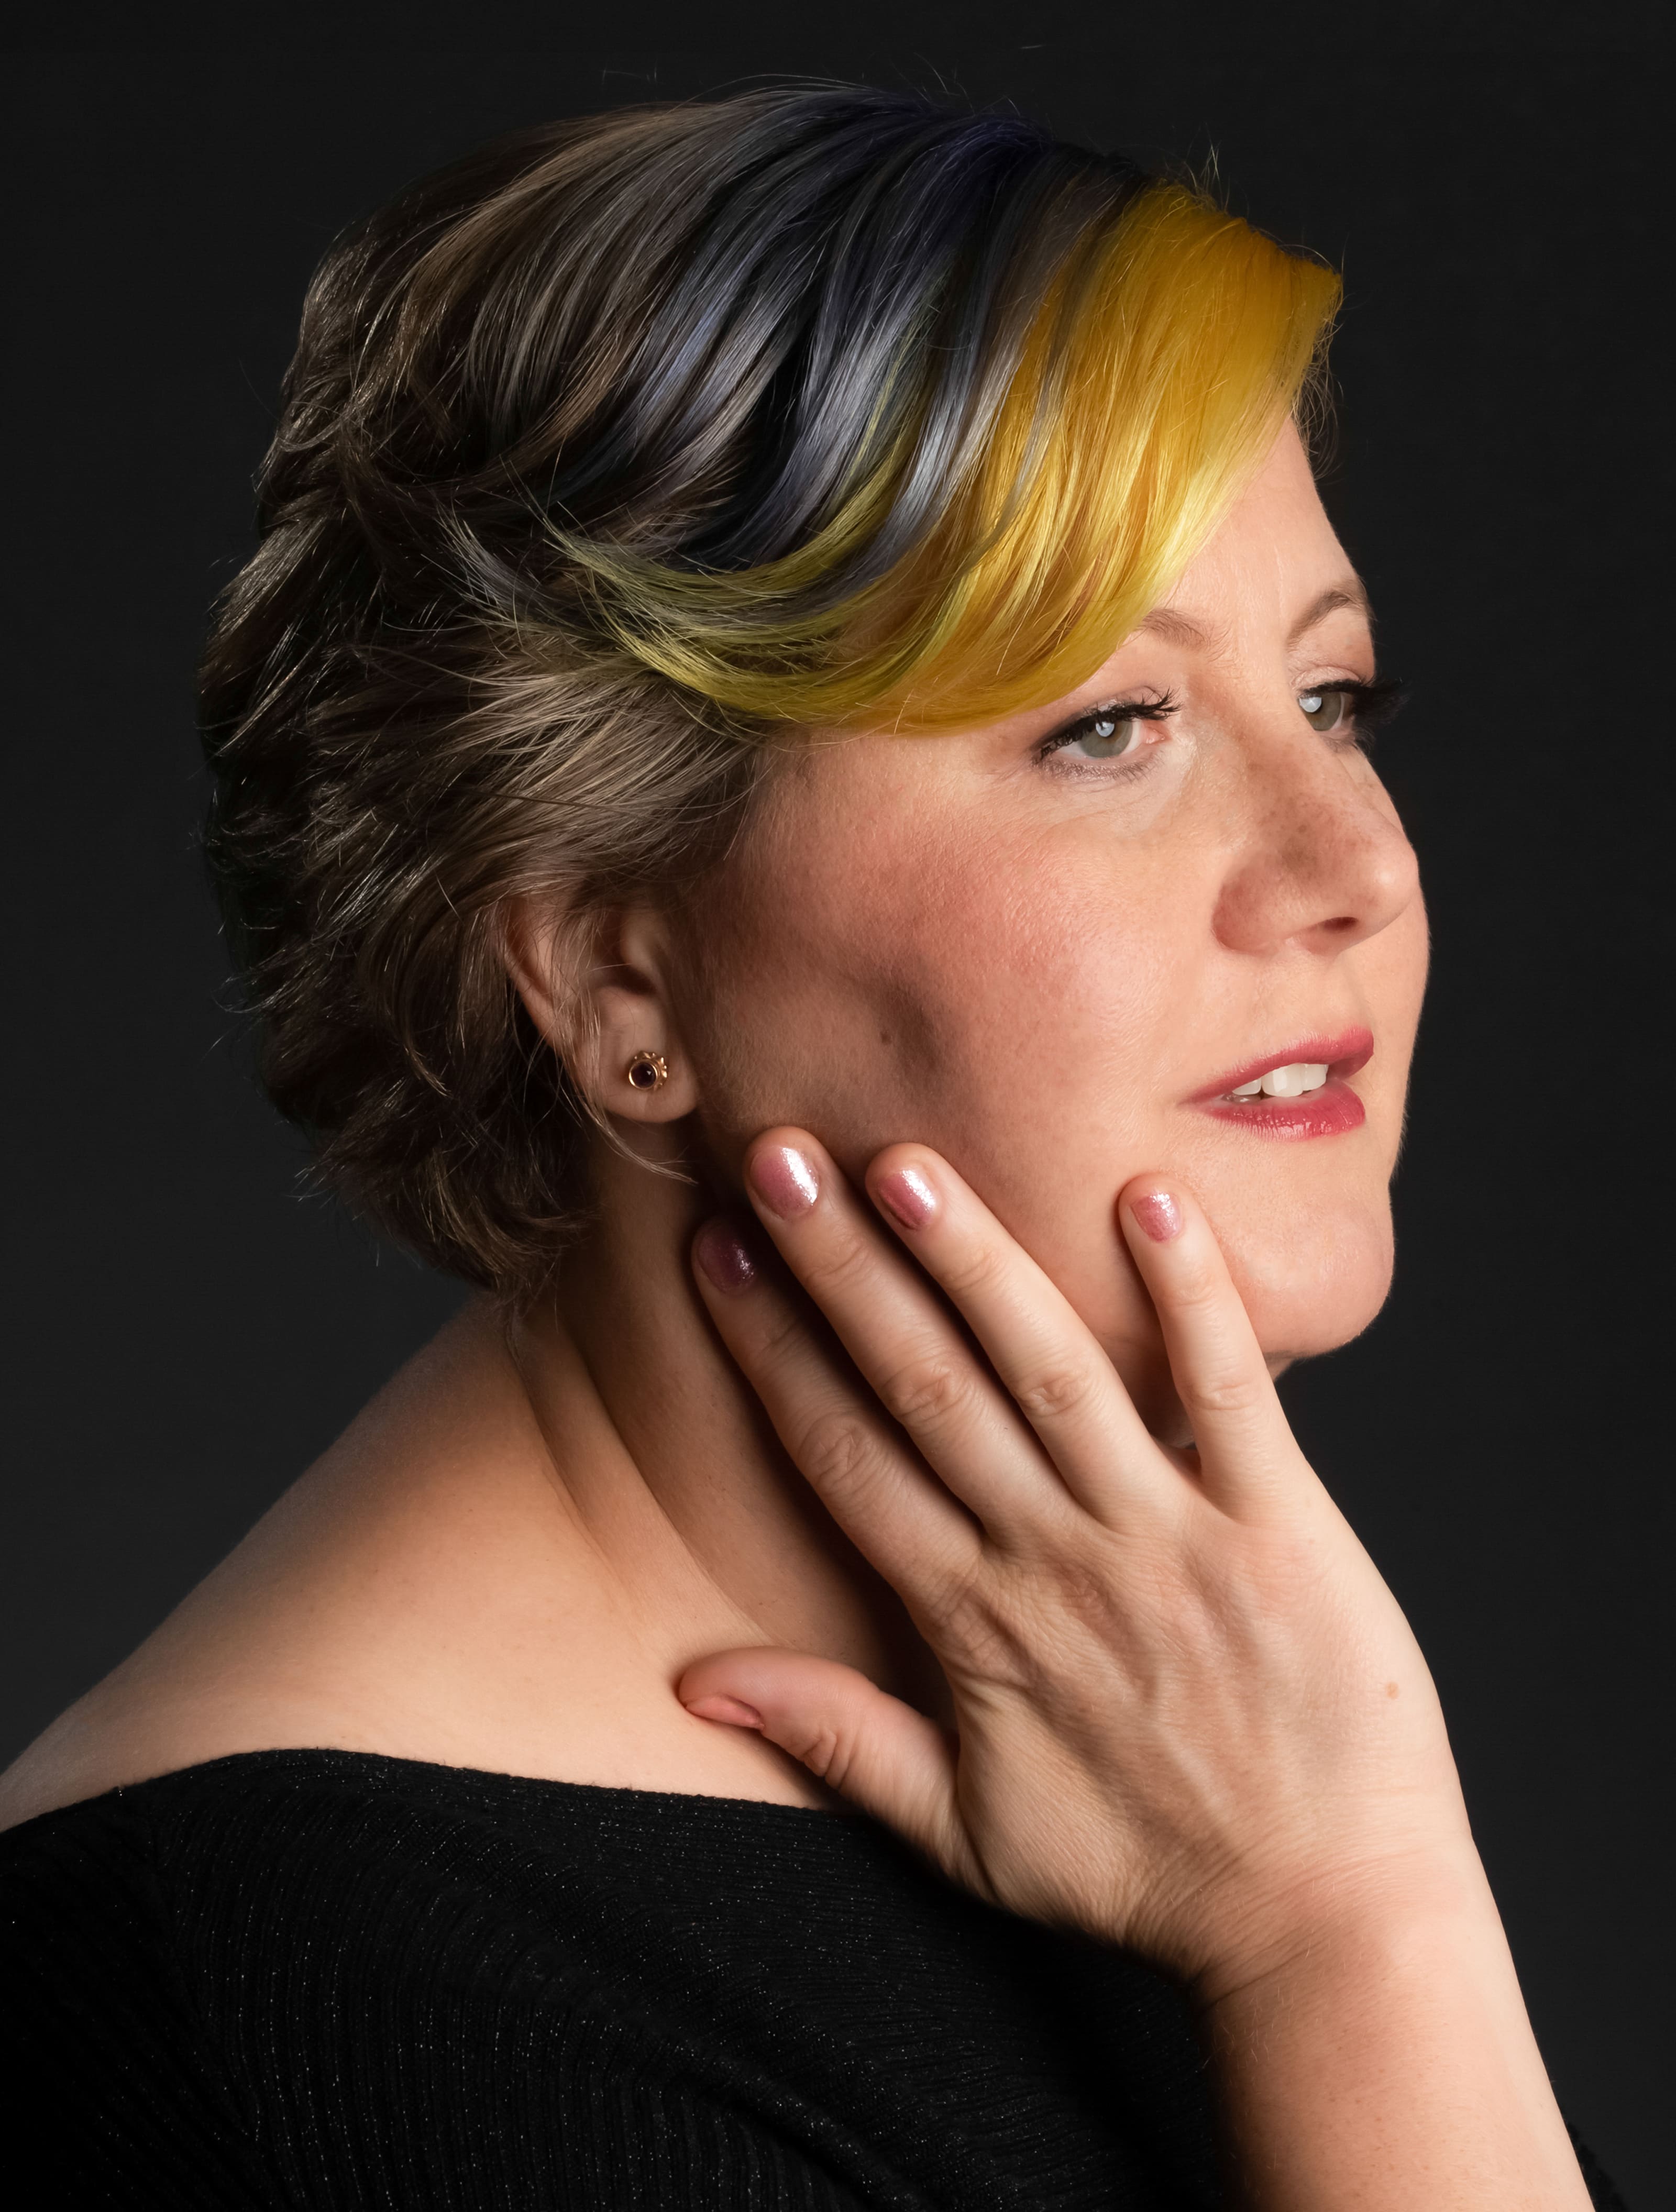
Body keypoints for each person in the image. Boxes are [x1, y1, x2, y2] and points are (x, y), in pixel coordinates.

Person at [0, 84, 1622, 2209]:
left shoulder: (1202, 1759)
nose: (1356, 869)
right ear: (618, 980)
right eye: (1106, 727)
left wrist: (1336, 1899)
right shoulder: (310, 2034)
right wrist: (1351, 1942)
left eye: (1331, 698)